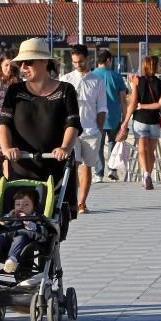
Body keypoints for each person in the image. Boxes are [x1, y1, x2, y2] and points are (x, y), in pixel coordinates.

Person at [0, 37, 82, 215]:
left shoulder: (65, 91)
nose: (23, 68)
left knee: (51, 224)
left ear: (44, 62)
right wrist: (6, 148)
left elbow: (72, 124)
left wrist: (65, 147)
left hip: (55, 166)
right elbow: (4, 123)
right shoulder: (15, 91)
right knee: (15, 219)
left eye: (28, 63)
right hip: (22, 166)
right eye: (20, 64)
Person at [60, 44, 107, 213]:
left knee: (87, 166)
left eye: (80, 61)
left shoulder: (97, 80)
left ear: (87, 59)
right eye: (74, 62)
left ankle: (82, 202)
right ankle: (72, 199)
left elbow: (102, 107)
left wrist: (100, 128)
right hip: (72, 130)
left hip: (91, 130)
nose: (77, 65)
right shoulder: (66, 79)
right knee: (74, 164)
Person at [117, 55, 161, 190]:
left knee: (142, 150)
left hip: (140, 120)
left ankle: (145, 175)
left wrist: (125, 121)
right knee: (151, 151)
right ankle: (148, 174)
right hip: (154, 121)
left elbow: (132, 103)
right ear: (156, 67)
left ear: (144, 66)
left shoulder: (137, 80)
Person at [0, 187, 45, 275]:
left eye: (26, 205)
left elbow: (38, 229)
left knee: (19, 239)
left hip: (23, 237)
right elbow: (2, 223)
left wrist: (27, 222)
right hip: (6, 235)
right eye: (18, 204)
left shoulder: (35, 216)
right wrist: (9, 217)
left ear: (34, 207)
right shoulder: (11, 214)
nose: (21, 207)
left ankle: (12, 260)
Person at [91, 50, 127, 182]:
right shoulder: (116, 76)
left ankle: (99, 173)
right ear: (108, 60)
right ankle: (112, 170)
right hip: (114, 116)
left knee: (98, 146)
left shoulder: (91, 75)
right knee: (113, 143)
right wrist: (125, 118)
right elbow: (123, 100)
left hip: (96, 117)